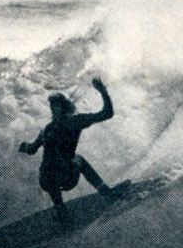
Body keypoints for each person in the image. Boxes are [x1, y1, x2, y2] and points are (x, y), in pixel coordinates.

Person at [19, 77, 118, 221]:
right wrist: (103, 91)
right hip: (62, 179)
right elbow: (107, 113)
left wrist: (24, 147)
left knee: (56, 165)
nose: (52, 109)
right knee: (72, 160)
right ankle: (104, 193)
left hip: (53, 181)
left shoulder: (53, 127)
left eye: (54, 106)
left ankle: (61, 210)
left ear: (62, 107)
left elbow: (31, 149)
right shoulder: (70, 122)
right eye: (52, 106)